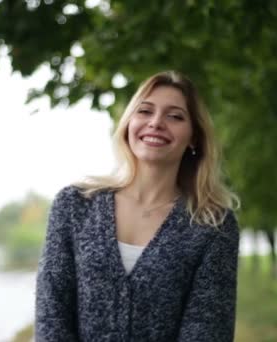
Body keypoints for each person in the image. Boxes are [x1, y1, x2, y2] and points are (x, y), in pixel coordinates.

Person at [35, 71, 240, 342]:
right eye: (145, 111)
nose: (156, 123)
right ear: (129, 123)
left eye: (175, 116)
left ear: (194, 137)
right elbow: (52, 316)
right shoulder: (74, 206)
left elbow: (208, 329)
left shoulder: (213, 225)